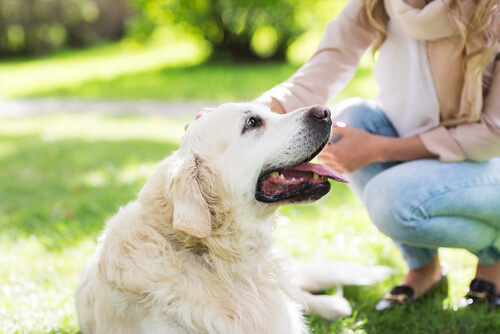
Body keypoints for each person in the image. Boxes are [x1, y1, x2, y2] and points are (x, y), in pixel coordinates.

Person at [252, 0, 500, 310]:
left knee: (391, 199)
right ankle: (425, 268)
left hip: (488, 164)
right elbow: (326, 65)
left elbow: (493, 133)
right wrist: (252, 112)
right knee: (350, 121)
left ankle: (495, 255)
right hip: (421, 151)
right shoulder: (378, 4)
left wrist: (379, 149)